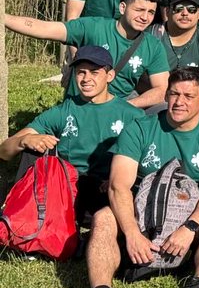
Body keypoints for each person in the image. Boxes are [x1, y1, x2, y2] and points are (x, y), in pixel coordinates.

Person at [64, 69, 199, 288]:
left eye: (189, 96)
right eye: (174, 93)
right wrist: (132, 232)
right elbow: (118, 185)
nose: (179, 102)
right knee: (103, 218)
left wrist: (189, 228)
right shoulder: (141, 127)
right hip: (142, 209)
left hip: (189, 216)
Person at [0, 46, 144, 219]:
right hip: (65, 186)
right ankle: (22, 217)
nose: (86, 79)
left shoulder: (131, 115)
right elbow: (3, 152)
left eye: (94, 72)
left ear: (110, 76)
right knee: (31, 148)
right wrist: (23, 140)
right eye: (81, 72)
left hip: (106, 189)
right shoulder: (63, 111)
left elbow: (145, 161)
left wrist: (121, 182)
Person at [5, 0, 170, 109]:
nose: (145, 17)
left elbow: (161, 90)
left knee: (163, 110)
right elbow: (43, 28)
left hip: (118, 108)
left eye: (150, 12)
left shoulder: (153, 45)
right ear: (122, 8)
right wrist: (4, 18)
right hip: (81, 106)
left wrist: (126, 107)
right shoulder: (93, 27)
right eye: (139, 10)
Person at [150, 0, 199, 71]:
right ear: (167, 11)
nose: (185, 13)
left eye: (191, 9)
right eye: (178, 8)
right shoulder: (150, 36)